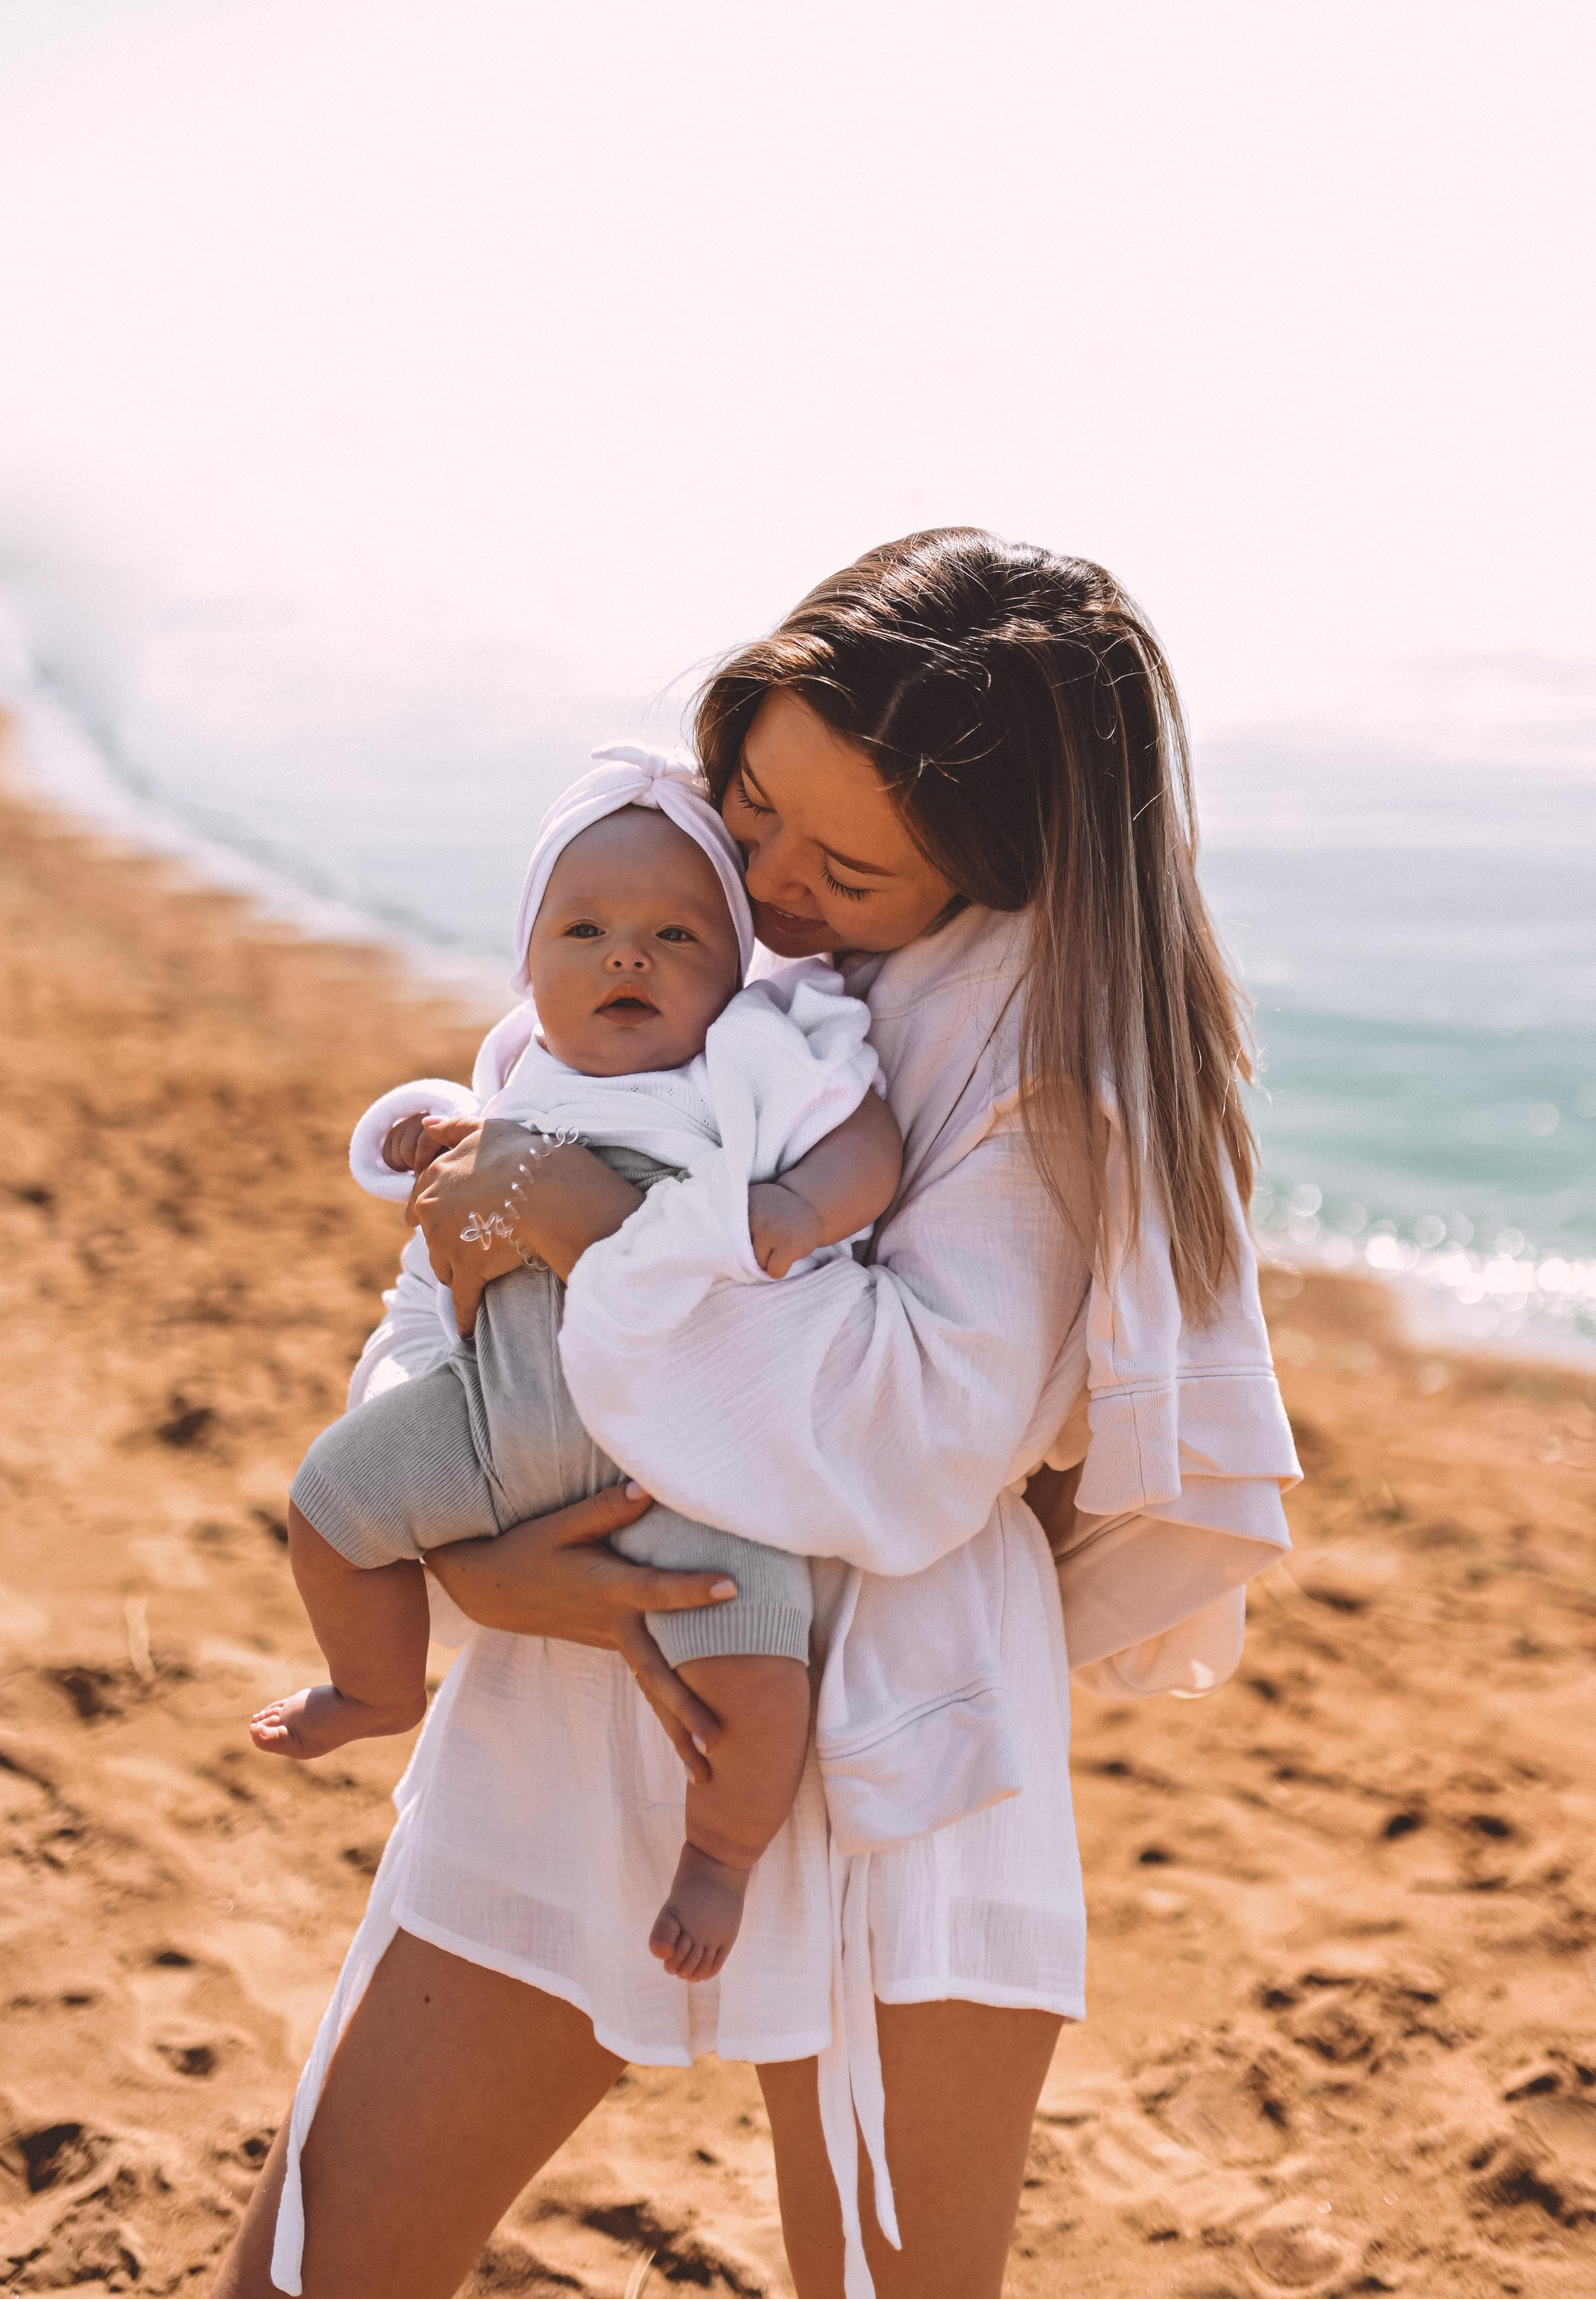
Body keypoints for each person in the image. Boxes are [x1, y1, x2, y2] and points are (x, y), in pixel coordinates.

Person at [214, 530, 1300, 2299]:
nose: (765, 877)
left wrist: (612, 1223)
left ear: (1004, 870)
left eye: (847, 870)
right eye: (754, 799)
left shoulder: (1044, 1070)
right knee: (316, 2271)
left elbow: (916, 1438)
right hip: (578, 1666)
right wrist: (477, 1546)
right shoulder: (681, 885)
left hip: (889, 1737)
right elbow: (461, 1251)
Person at [249, 749, 901, 1986]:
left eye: (673, 934)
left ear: (734, 967)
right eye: (586, 930)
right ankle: (373, 1684)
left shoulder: (749, 1060)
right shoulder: (512, 1074)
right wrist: (417, 1142)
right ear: (527, 963)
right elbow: (425, 1185)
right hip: (497, 1420)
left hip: (689, 1462)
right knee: (327, 1508)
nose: (626, 957)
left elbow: (861, 1132)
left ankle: (718, 1855)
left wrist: (804, 1208)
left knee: (758, 1676)